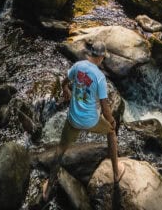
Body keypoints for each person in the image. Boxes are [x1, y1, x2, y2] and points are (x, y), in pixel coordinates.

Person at [42, 39, 125, 201]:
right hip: (91, 121)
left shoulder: (78, 66)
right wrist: (111, 120)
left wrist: (65, 89)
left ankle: (48, 187)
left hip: (73, 119)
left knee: (60, 149)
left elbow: (64, 81)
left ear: (91, 54)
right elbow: (105, 105)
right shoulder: (100, 77)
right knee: (111, 132)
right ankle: (116, 173)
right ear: (101, 57)